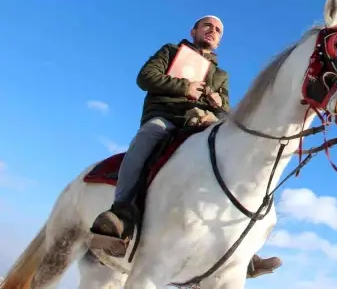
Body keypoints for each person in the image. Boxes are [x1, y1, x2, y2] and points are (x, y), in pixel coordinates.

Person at [90, 15, 282, 278]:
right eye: (207, 26)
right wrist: (185, 88)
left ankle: (239, 246)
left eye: (218, 30)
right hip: (166, 117)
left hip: (201, 123)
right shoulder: (170, 51)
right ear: (194, 30)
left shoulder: (221, 75)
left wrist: (217, 104)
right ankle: (120, 214)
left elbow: (226, 110)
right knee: (149, 136)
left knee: (233, 158)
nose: (212, 31)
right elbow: (145, 77)